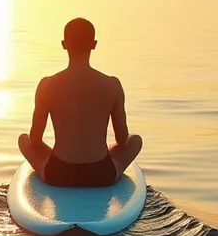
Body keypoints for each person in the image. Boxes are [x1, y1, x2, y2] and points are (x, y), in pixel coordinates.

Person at [18, 18, 143, 187]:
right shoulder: (112, 85)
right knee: (135, 140)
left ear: (64, 44)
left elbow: (35, 139)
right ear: (94, 44)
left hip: (59, 173)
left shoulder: (47, 85)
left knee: (24, 139)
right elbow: (121, 140)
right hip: (101, 173)